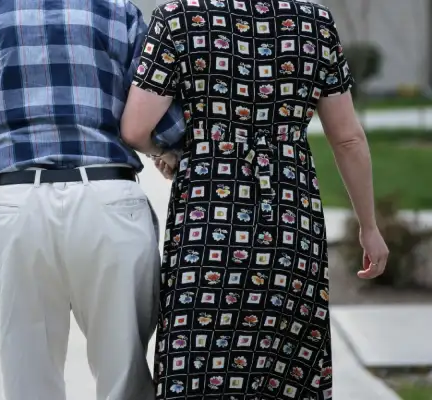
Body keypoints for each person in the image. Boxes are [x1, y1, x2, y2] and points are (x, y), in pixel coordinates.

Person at [0, 0, 186, 399]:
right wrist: (168, 152)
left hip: (14, 208)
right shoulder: (122, 14)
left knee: (29, 389)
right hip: (109, 202)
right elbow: (168, 124)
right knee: (127, 385)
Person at [120, 1, 389, 398]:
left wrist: (171, 154)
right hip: (290, 222)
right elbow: (348, 138)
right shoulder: (314, 22)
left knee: (200, 364)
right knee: (285, 372)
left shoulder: (180, 17)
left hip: (208, 224)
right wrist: (369, 227)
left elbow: (135, 127)